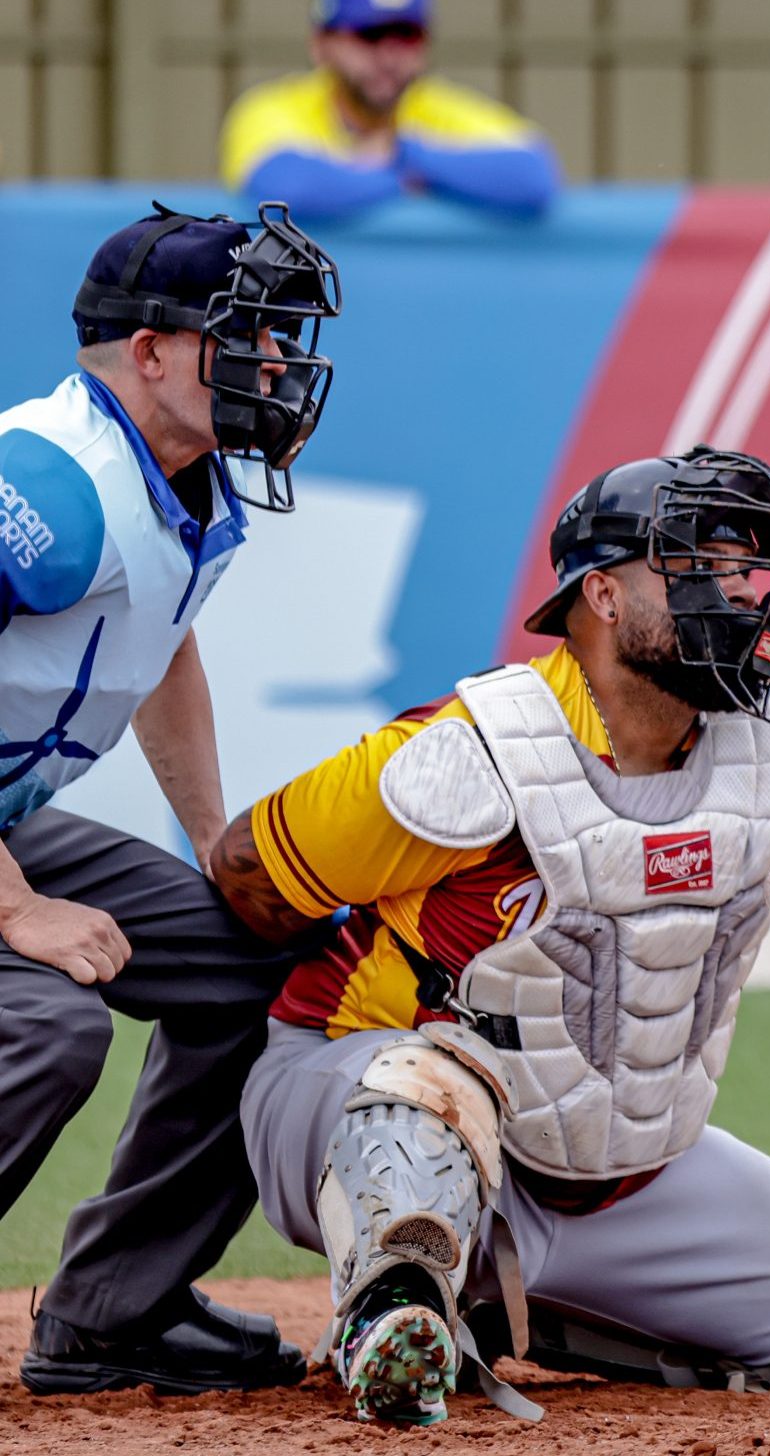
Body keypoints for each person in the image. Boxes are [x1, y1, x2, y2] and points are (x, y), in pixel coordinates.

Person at [207, 446, 770, 1426]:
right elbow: (250, 871)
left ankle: (500, 1311)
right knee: (431, 1085)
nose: (744, 597)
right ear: (603, 596)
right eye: (698, 567)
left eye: (750, 570)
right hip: (363, 1106)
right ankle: (398, 1305)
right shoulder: (479, 751)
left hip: (614, 1170)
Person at [3, 202, 342, 1395]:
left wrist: (216, 842)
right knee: (49, 1025)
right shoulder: (56, 480)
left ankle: (110, 1314)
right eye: (245, 337)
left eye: (283, 339)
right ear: (149, 353)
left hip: (9, 824)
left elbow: (165, 645)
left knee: (268, 959)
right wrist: (13, 909)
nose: (279, 365)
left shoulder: (184, 484)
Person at [220, 0, 559, 221]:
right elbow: (285, 187)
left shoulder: (431, 103)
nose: (390, 55)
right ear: (320, 44)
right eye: (370, 34)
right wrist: (410, 178)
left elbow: (533, 175)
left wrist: (400, 153)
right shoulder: (274, 105)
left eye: (407, 34)